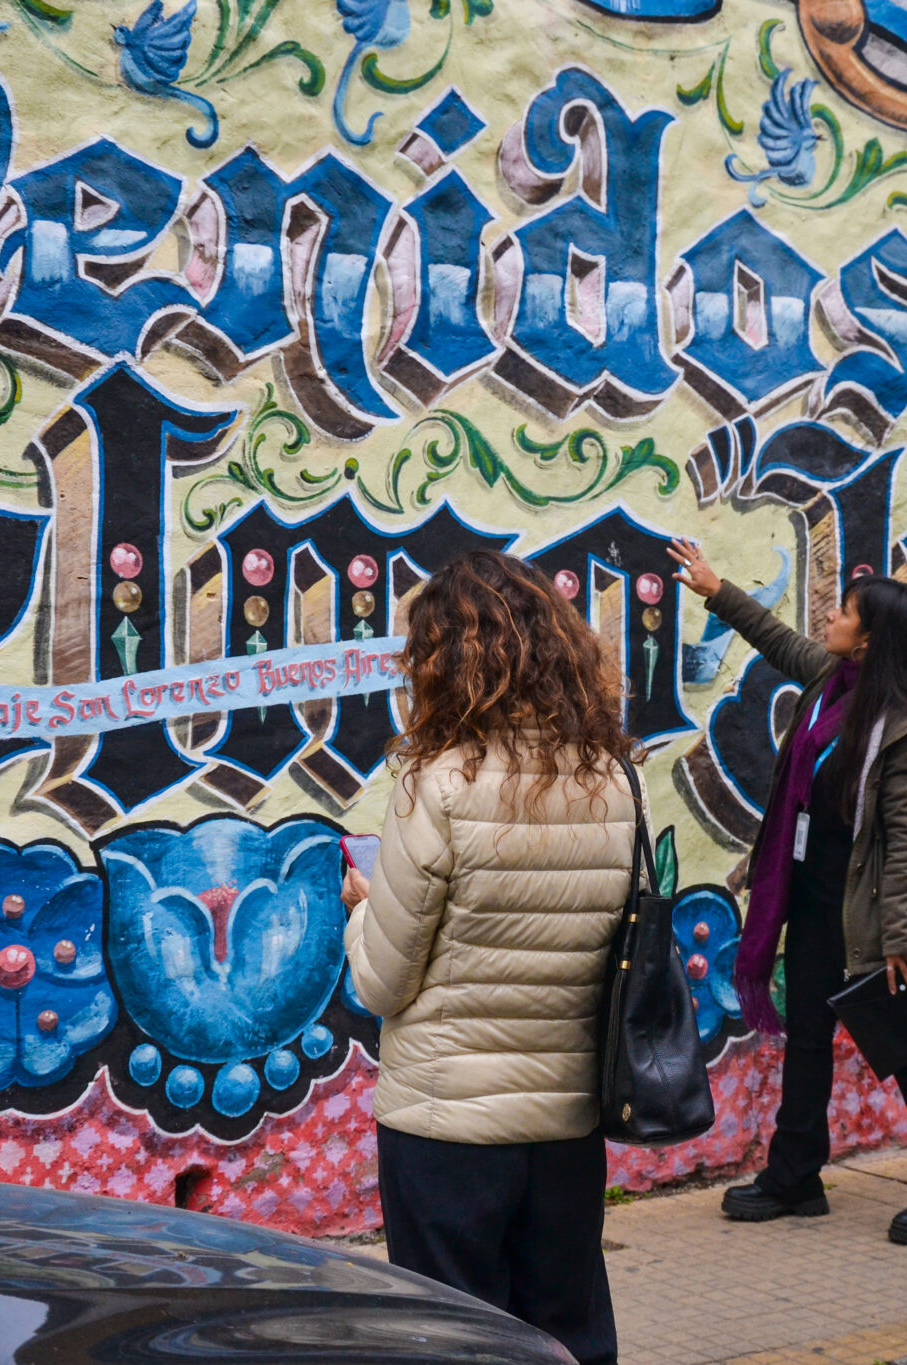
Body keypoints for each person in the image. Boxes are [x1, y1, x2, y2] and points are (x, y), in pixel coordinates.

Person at [340, 549, 637, 1365]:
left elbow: (382, 980)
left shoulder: (438, 785)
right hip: (565, 1122)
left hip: (448, 1129)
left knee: (455, 1343)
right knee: (567, 1338)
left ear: (444, 662)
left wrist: (361, 914)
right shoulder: (613, 778)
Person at [666, 541, 907, 1245]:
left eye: (843, 613)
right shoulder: (833, 686)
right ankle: (796, 1173)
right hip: (812, 898)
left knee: (902, 1040)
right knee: (807, 1035)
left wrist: (903, 937)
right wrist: (718, 590)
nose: (830, 619)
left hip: (868, 913)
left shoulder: (901, 729)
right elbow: (777, 642)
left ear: (869, 639)